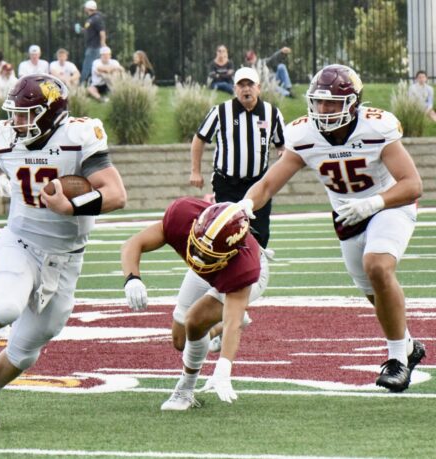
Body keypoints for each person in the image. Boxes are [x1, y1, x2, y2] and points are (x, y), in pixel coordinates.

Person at [0, 74, 127, 429]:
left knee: (27, 348)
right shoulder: (8, 136)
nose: (15, 123)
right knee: (4, 306)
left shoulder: (78, 137)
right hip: (21, 241)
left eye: (24, 115)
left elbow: (117, 194)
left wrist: (71, 208)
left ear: (50, 114)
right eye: (14, 114)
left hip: (65, 256)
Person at [242, 64, 426, 392]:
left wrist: (374, 203)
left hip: (389, 205)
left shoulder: (376, 127)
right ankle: (409, 346)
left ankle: (397, 360)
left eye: (332, 103)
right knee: (374, 294)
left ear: (353, 103)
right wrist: (244, 205)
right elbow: (268, 184)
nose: (323, 110)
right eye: (319, 102)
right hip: (346, 217)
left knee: (378, 267)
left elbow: (412, 184)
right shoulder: (303, 134)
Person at [121, 198, 268, 410]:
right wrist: (132, 278)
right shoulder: (182, 216)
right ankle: (216, 326)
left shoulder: (244, 268)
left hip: (239, 277)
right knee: (180, 341)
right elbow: (133, 244)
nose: (198, 257)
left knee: (196, 321)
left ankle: (185, 391)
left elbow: (233, 324)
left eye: (207, 255)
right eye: (197, 248)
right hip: (210, 271)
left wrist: (223, 368)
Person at [190, 67, 285, 248]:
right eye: (241, 85)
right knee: (227, 233)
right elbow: (199, 139)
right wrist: (195, 171)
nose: (246, 89)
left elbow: (282, 143)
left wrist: (283, 152)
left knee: (260, 233)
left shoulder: (272, 113)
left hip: (259, 184)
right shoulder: (220, 112)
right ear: (235, 89)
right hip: (227, 184)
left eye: (250, 84)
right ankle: (231, 273)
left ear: (259, 87)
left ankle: (256, 273)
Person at [78, 0, 106, 85]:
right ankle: (91, 83)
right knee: (92, 66)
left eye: (85, 7)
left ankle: (81, 85)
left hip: (95, 47)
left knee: (87, 65)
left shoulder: (96, 18)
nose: (84, 9)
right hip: (91, 46)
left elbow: (102, 32)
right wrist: (81, 29)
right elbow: (89, 30)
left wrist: (103, 44)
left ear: (88, 8)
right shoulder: (91, 18)